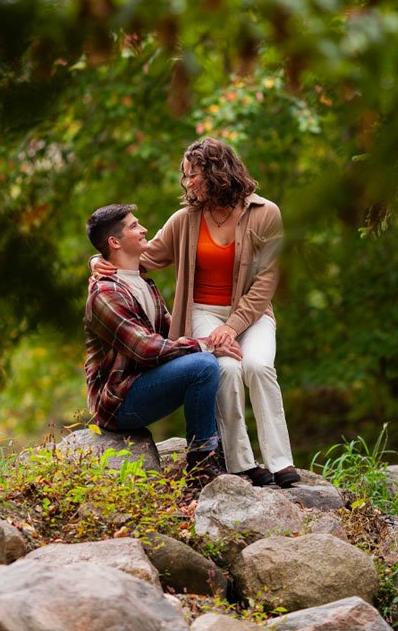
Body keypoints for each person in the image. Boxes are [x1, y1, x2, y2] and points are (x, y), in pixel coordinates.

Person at [92, 138, 300, 488]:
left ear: (217, 171)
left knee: (258, 366)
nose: (188, 183)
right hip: (202, 311)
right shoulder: (185, 220)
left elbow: (267, 281)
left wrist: (232, 327)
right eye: (185, 176)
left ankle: (282, 463)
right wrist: (98, 260)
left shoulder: (266, 214)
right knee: (228, 370)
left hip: (252, 312)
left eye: (193, 175)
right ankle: (242, 463)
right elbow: (141, 256)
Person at [84, 204, 236, 487]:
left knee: (214, 363)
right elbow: (147, 349)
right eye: (134, 226)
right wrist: (206, 346)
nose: (143, 230)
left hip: (141, 383)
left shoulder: (142, 283)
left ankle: (225, 454)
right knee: (202, 364)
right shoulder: (106, 292)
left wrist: (220, 337)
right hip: (117, 401)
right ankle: (201, 467)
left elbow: (172, 331)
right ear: (114, 242)